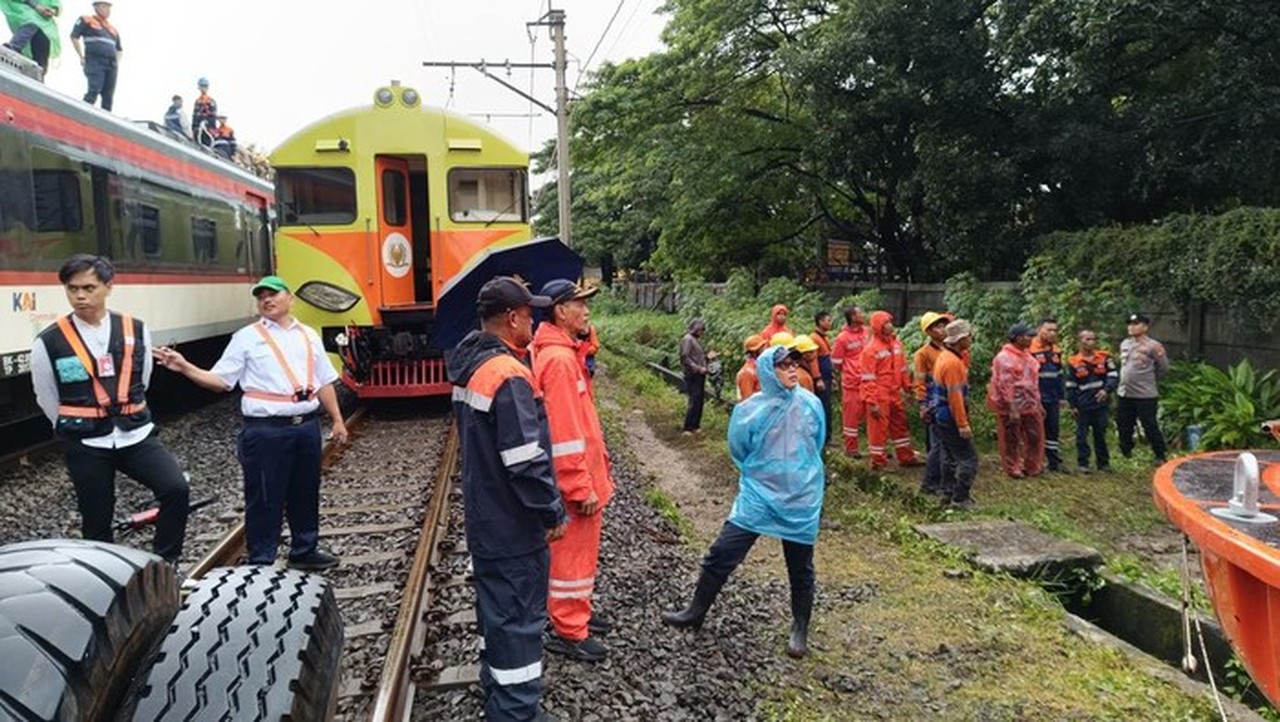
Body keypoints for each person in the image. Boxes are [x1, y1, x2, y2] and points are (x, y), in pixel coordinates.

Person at [153, 275, 347, 570]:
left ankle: (304, 549)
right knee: (265, 496)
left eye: (273, 294)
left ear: (290, 298)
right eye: (261, 297)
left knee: (305, 491)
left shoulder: (308, 335)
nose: (266, 300)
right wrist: (186, 367)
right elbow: (221, 381)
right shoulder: (246, 337)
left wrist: (337, 420)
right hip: (266, 430)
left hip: (306, 426)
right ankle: (262, 559)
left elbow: (324, 381)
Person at [446, 276, 567, 722]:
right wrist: (551, 509)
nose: (534, 321)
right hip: (514, 526)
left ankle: (497, 694)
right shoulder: (510, 374)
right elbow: (525, 460)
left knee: (496, 614)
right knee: (518, 620)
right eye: (530, 313)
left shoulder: (471, 365)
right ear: (513, 317)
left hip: (486, 518)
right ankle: (516, 712)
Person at [661, 344, 825, 659]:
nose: (792, 370)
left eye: (794, 364)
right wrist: (763, 475)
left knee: (800, 566)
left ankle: (800, 627)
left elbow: (816, 444)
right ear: (768, 371)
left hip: (800, 497)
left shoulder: (811, 405)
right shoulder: (750, 410)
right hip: (759, 495)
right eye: (784, 365)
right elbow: (739, 450)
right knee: (722, 552)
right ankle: (695, 611)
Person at [30, 254, 190, 564]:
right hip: (86, 442)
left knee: (175, 489)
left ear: (108, 286)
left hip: (135, 435)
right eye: (72, 289)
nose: (80, 296)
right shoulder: (49, 341)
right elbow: (46, 395)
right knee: (96, 519)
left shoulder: (135, 329)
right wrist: (76, 424)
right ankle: (107, 580)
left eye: (89, 287)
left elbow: (142, 379)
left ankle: (166, 562)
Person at [531, 279, 614, 663]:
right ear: (560, 311)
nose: (587, 311)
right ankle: (568, 629)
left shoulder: (563, 353)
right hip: (575, 486)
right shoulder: (560, 361)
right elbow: (564, 434)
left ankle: (573, 611)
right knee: (573, 559)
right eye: (580, 305)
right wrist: (580, 487)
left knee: (576, 558)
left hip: (580, 477)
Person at [926, 319, 979, 508]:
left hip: (941, 415)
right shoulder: (953, 364)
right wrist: (963, 424)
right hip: (950, 416)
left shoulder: (944, 356)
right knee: (969, 459)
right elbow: (955, 397)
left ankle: (947, 494)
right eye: (968, 336)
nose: (971, 339)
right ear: (960, 339)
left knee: (947, 457)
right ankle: (960, 497)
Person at [859, 311, 921, 469]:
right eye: (885, 323)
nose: (890, 326)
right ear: (878, 327)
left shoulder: (896, 345)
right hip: (879, 394)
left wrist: (908, 388)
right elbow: (867, 379)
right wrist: (871, 401)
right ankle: (878, 461)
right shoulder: (870, 350)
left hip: (894, 393)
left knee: (900, 425)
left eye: (890, 322)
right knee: (878, 429)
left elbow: (902, 369)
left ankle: (906, 457)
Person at [987, 323, 1044, 478]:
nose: (1032, 339)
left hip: (1029, 404)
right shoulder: (1005, 358)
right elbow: (1006, 384)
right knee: (1011, 437)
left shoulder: (1027, 356)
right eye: (1028, 336)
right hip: (1010, 405)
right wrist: (1013, 408)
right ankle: (1013, 467)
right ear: (1018, 338)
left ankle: (1032, 465)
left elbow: (1033, 382)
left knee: (1034, 435)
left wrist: (1038, 403)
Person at [1117, 313, 1169, 464]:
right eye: (1130, 324)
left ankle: (1159, 454)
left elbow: (1164, 368)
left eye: (1136, 324)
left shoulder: (1153, 346)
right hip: (1125, 392)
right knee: (1124, 423)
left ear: (1145, 327)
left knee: (1149, 425)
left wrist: (1148, 379)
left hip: (1145, 394)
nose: (1131, 327)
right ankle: (1126, 450)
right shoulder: (1125, 344)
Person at [1066, 329, 1118, 474]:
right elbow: (1071, 385)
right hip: (1083, 405)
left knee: (1100, 434)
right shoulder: (1073, 362)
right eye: (1087, 339)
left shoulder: (1104, 357)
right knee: (1081, 435)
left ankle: (1103, 463)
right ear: (1080, 341)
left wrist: (1106, 390)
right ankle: (1083, 464)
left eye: (1093, 339)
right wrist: (1073, 405)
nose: (1091, 342)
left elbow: (1113, 375)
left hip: (1100, 403)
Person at [913, 312, 951, 495]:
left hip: (950, 400)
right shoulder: (923, 354)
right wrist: (922, 404)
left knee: (944, 444)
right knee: (936, 444)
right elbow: (919, 381)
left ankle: (943, 478)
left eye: (943, 325)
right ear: (928, 331)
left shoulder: (950, 349)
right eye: (938, 326)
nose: (942, 330)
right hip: (934, 403)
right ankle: (931, 482)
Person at [1029, 318, 1067, 472]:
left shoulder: (1056, 351)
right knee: (1035, 430)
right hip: (1036, 396)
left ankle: (1053, 461)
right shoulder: (1030, 349)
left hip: (1052, 397)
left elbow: (1059, 375)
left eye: (1055, 330)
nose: (1053, 333)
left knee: (1053, 429)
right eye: (1049, 330)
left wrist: (1062, 396)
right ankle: (1035, 461)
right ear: (1039, 330)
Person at [831, 306, 869, 457]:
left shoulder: (867, 332)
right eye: (860, 313)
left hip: (868, 380)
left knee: (871, 415)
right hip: (852, 382)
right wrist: (851, 370)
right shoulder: (842, 338)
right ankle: (851, 448)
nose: (863, 315)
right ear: (853, 317)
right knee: (851, 416)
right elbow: (836, 362)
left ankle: (876, 447)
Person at [69, 0, 120, 111]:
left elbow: (119, 49)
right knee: (94, 89)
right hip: (95, 61)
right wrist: (81, 56)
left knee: (108, 96)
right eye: (104, 6)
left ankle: (107, 121)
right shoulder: (86, 20)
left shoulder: (112, 29)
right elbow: (74, 36)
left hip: (111, 64)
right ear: (96, 7)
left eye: (109, 7)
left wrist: (117, 63)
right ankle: (82, 113)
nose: (107, 10)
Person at [3, 0, 60, 77]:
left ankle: (40, 73)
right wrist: (36, 6)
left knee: (44, 40)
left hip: (44, 23)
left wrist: (53, 11)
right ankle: (13, 48)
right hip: (24, 11)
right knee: (31, 23)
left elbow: (56, 5)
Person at [680, 318, 709, 435]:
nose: (701, 332)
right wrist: (698, 368)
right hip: (693, 374)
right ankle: (688, 427)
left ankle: (695, 425)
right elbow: (685, 357)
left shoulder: (695, 340)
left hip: (700, 374)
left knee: (699, 400)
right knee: (694, 399)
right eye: (700, 330)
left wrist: (707, 358)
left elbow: (697, 357)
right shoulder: (688, 339)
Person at [811, 311, 835, 442]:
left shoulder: (824, 337)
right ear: (820, 321)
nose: (830, 323)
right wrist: (818, 378)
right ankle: (824, 436)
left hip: (827, 376)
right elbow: (813, 360)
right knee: (823, 406)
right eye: (828, 320)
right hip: (821, 378)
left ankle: (827, 435)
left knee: (827, 406)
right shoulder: (814, 338)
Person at [735, 334, 767, 400]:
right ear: (755, 351)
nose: (765, 349)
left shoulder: (760, 366)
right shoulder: (747, 372)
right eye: (762, 347)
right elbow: (747, 401)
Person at [191, 77, 218, 146]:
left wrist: (207, 123)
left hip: (207, 128)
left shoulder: (210, 101)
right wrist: (193, 127)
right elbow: (194, 115)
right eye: (201, 86)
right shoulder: (197, 101)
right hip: (198, 128)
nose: (203, 88)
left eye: (204, 86)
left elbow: (213, 116)